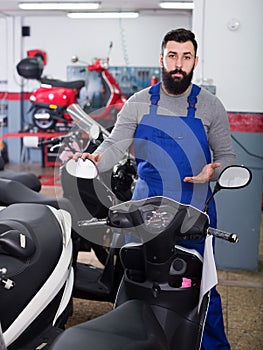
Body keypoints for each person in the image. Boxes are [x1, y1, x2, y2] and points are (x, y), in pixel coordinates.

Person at [72, 28, 236, 349]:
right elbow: (115, 148)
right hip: (146, 211)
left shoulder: (211, 106)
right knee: (137, 282)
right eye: (172, 56)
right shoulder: (138, 103)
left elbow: (227, 158)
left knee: (200, 289)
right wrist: (95, 158)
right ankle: (136, 340)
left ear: (194, 61)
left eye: (186, 57)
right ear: (161, 59)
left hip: (194, 214)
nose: (178, 64)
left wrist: (214, 170)